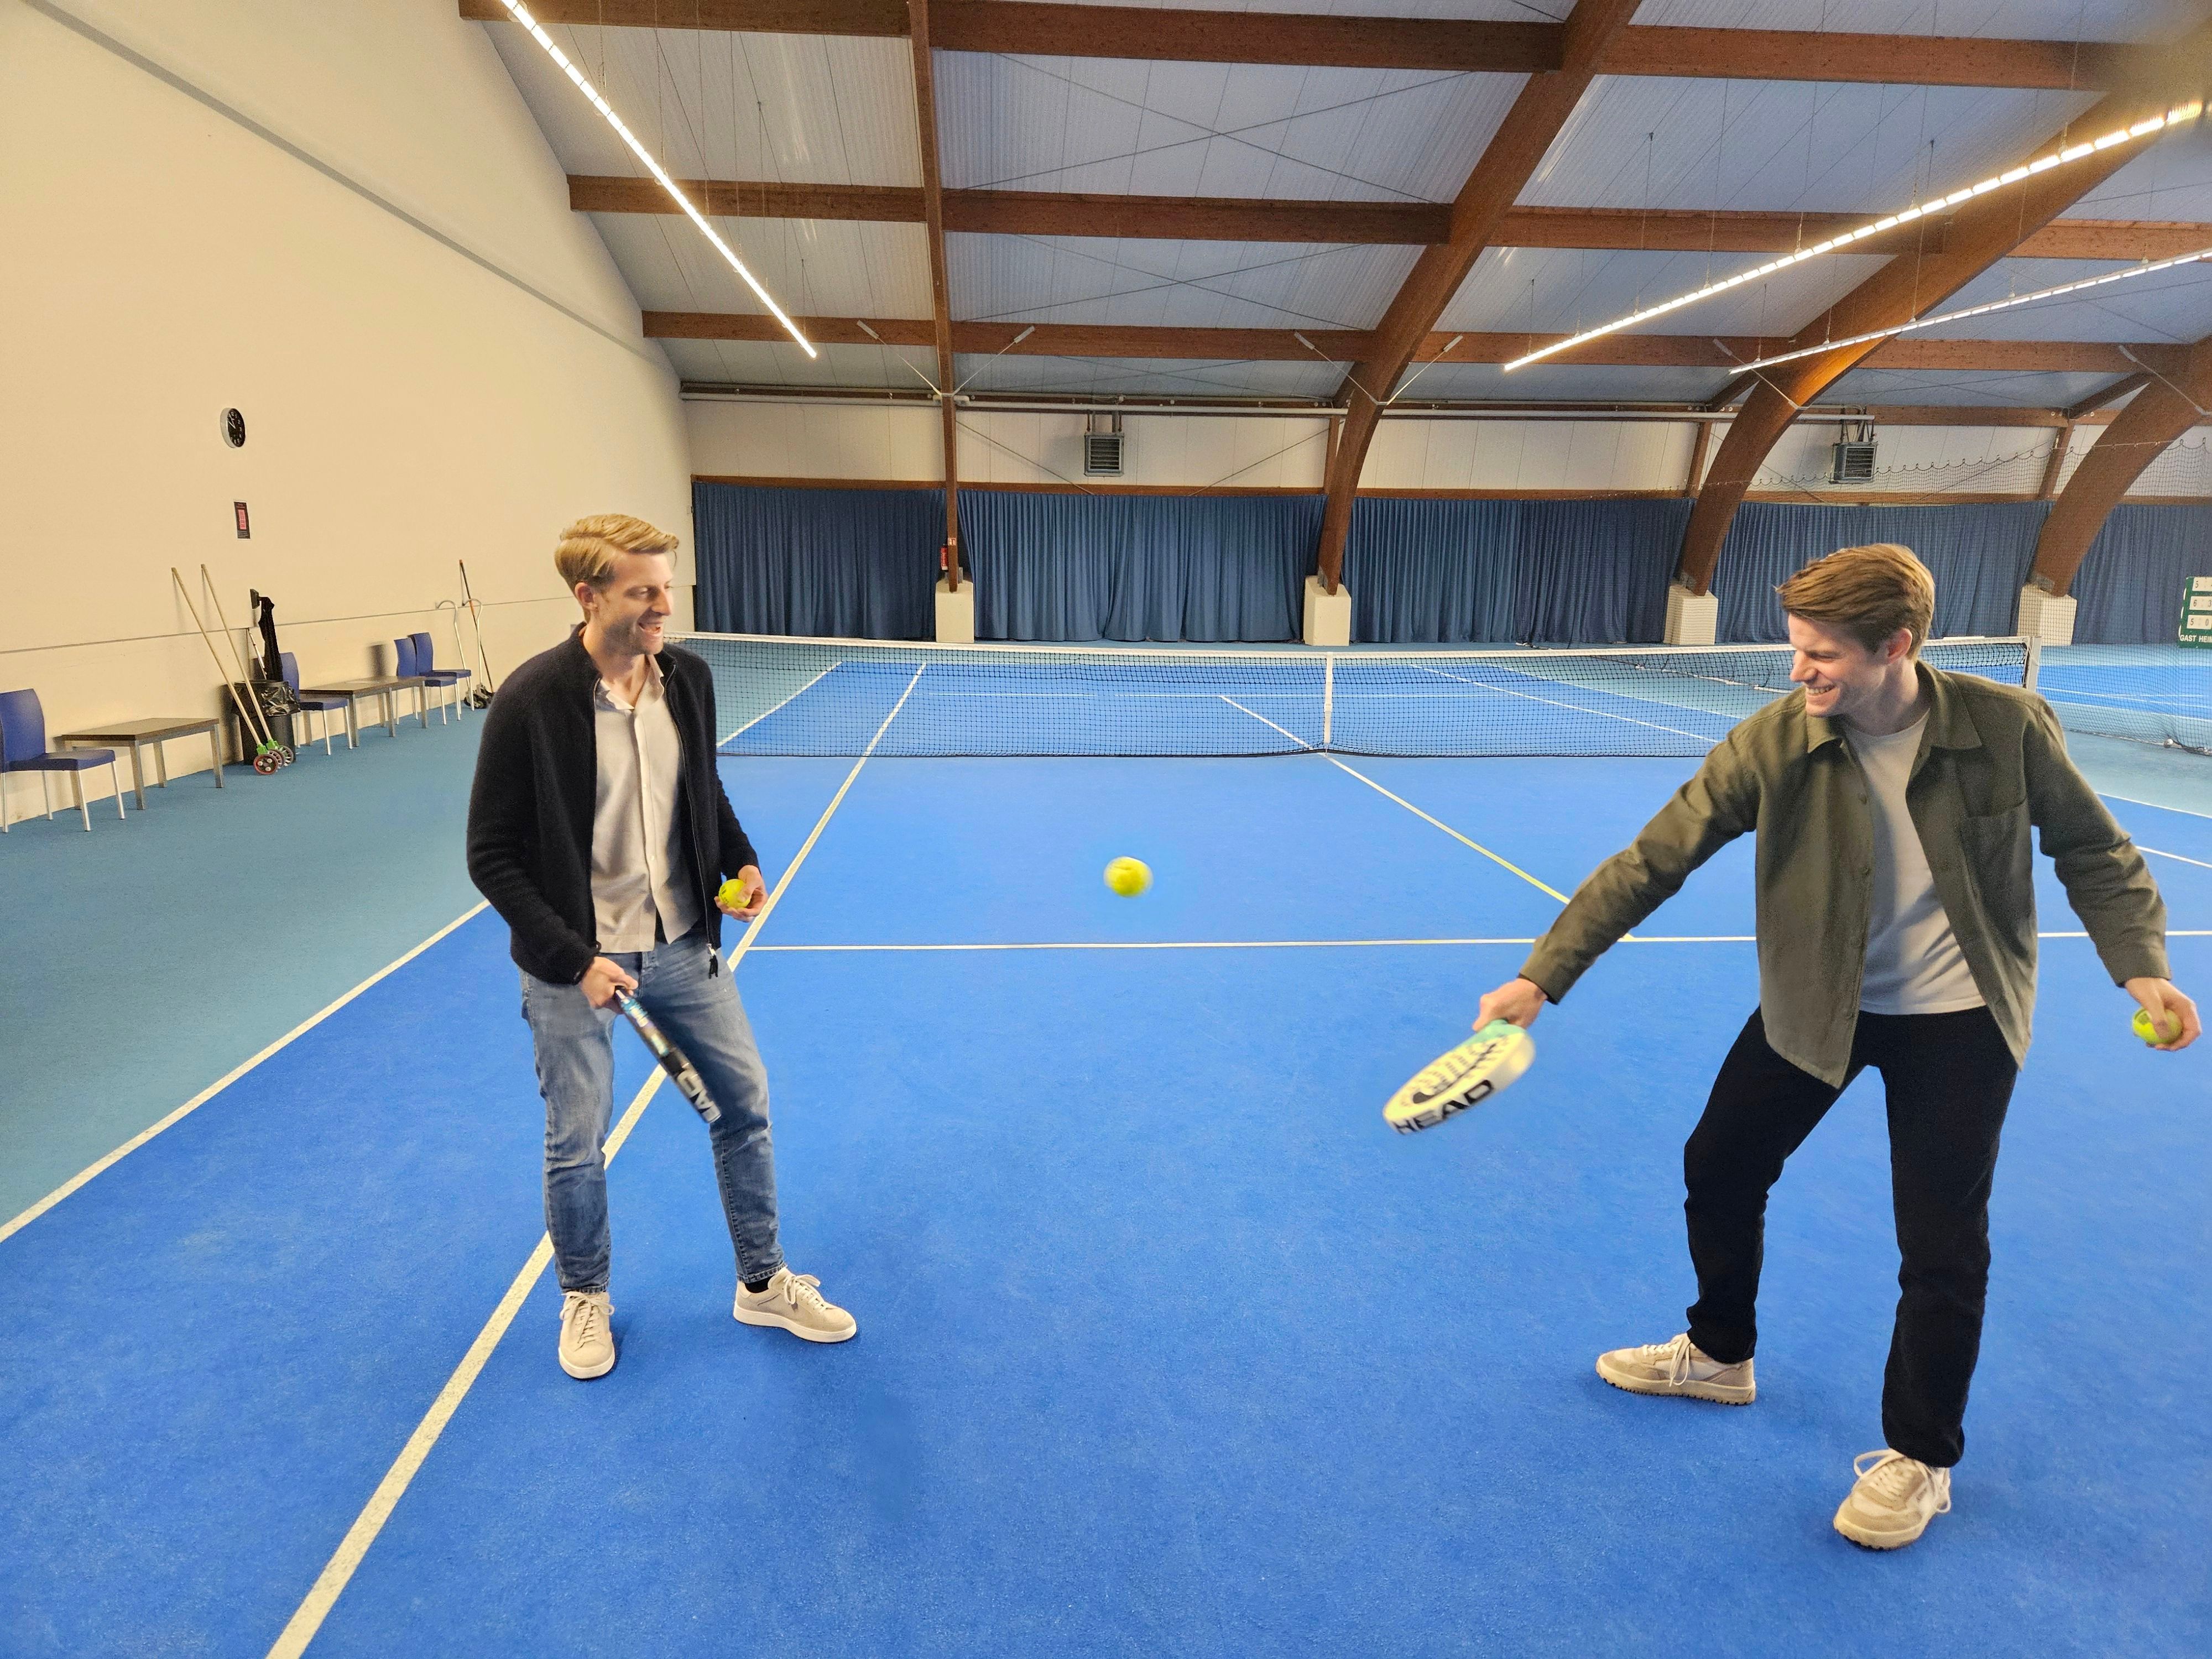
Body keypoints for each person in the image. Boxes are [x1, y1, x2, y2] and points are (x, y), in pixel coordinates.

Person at [1475, 542, 2197, 1550]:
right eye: (1797, 649)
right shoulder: (1770, 743)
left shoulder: (2006, 727)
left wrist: (2143, 967)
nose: (1799, 671)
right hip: (1818, 1002)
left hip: (1960, 1019)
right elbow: (1650, 862)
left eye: (1821, 654)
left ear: (1896, 646)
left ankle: (1920, 1457)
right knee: (1720, 1164)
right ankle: (1721, 1352)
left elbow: (2094, 849)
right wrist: (1543, 974)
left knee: (1942, 1241)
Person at [467, 514, 855, 1380]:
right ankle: (586, 1297)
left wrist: (741, 858)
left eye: (665, 588)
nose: (662, 607)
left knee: (743, 1106)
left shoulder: (688, 680)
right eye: (643, 591)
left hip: (683, 947)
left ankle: (762, 1280)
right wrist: (575, 959)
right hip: (577, 967)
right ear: (589, 596)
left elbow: (701, 788)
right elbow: (489, 856)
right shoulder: (532, 702)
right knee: (578, 1139)